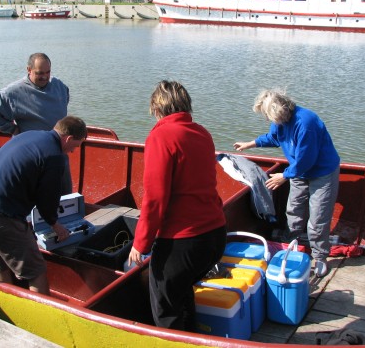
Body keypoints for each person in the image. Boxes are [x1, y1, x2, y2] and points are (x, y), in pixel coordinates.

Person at [128, 81, 227, 332]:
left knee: (166, 310)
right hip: (214, 236)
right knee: (182, 292)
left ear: (157, 108)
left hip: (184, 240)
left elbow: (155, 197)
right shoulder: (202, 132)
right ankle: (192, 334)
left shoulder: (161, 136)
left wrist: (140, 243)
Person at [0, 116, 87, 295]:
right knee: (36, 270)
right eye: (76, 146)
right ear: (68, 138)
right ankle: (43, 318)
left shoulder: (31, 135)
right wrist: (55, 225)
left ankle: (8, 308)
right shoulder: (55, 156)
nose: (73, 151)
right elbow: (47, 199)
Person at [233, 88, 340, 278]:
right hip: (297, 170)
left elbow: (307, 159)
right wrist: (250, 144)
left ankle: (321, 256)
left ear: (278, 111)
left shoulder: (306, 123)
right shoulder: (280, 122)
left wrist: (284, 176)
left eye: (267, 115)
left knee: (318, 217)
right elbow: (275, 137)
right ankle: (291, 244)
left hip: (321, 172)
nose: (267, 119)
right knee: (294, 209)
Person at [0, 52, 73, 194]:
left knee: (64, 194)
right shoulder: (14, 92)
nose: (44, 76)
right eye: (39, 73)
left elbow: (65, 98)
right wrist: (12, 129)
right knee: (36, 195)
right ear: (29, 70)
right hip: (33, 156)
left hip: (58, 153)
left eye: (48, 72)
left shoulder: (59, 85)